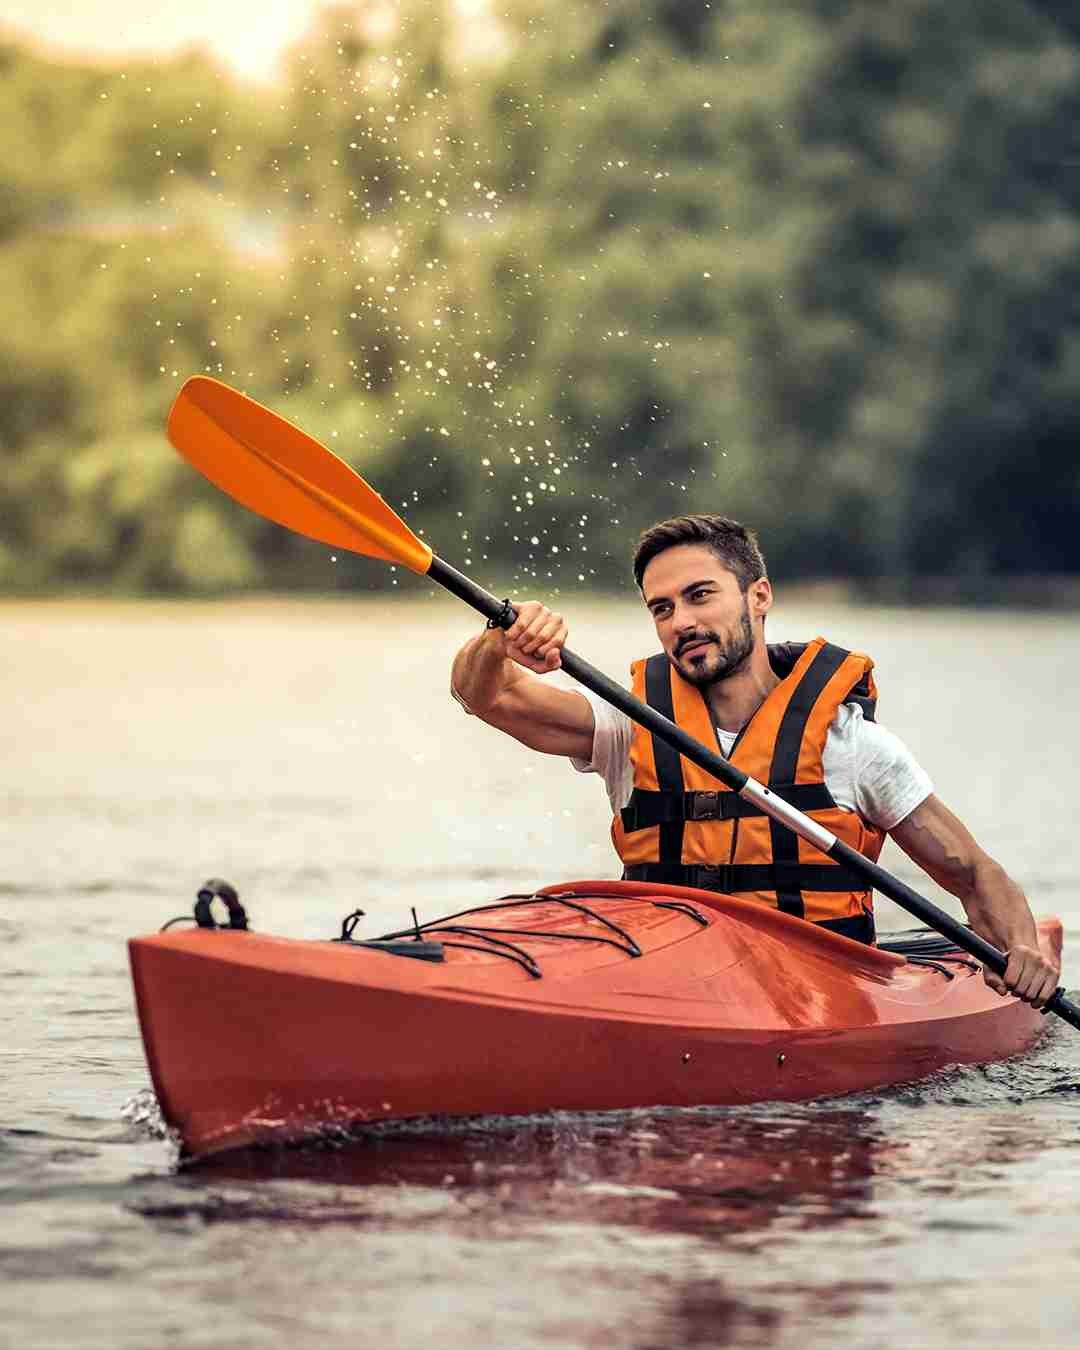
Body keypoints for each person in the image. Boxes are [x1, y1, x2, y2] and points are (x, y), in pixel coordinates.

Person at [451, 513, 1060, 1007]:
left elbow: (972, 874)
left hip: (816, 994)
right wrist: (497, 641)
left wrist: (1022, 951)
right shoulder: (629, 726)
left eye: (699, 596)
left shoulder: (851, 748)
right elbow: (486, 694)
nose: (681, 622)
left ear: (758, 595)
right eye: (662, 608)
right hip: (667, 983)